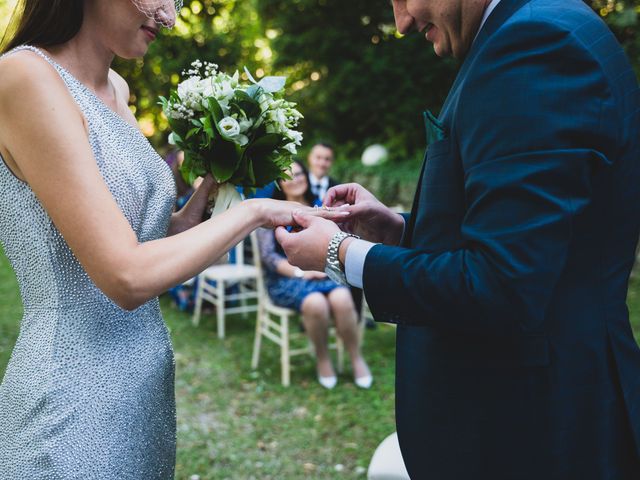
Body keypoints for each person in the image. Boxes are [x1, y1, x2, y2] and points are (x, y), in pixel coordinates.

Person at [276, 0, 640, 478]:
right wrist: (399, 230)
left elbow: (502, 283)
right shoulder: (537, 28)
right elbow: (524, 235)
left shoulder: (533, 45)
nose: (402, 22)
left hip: (533, 427)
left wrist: (338, 254)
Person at [0, 1, 339, 478]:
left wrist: (212, 188)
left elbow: (150, 242)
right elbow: (125, 274)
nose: (170, 16)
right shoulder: (23, 76)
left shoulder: (118, 87)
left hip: (143, 380)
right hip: (70, 391)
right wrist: (254, 211)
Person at [256, 160, 371, 389]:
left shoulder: (319, 207)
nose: (296, 178)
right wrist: (300, 272)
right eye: (288, 175)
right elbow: (268, 257)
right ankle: (323, 360)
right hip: (287, 278)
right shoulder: (273, 213)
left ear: (306, 177)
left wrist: (323, 267)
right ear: (280, 183)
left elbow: (334, 242)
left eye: (299, 173)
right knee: (316, 303)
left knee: (343, 299)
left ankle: (356, 358)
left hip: (324, 272)